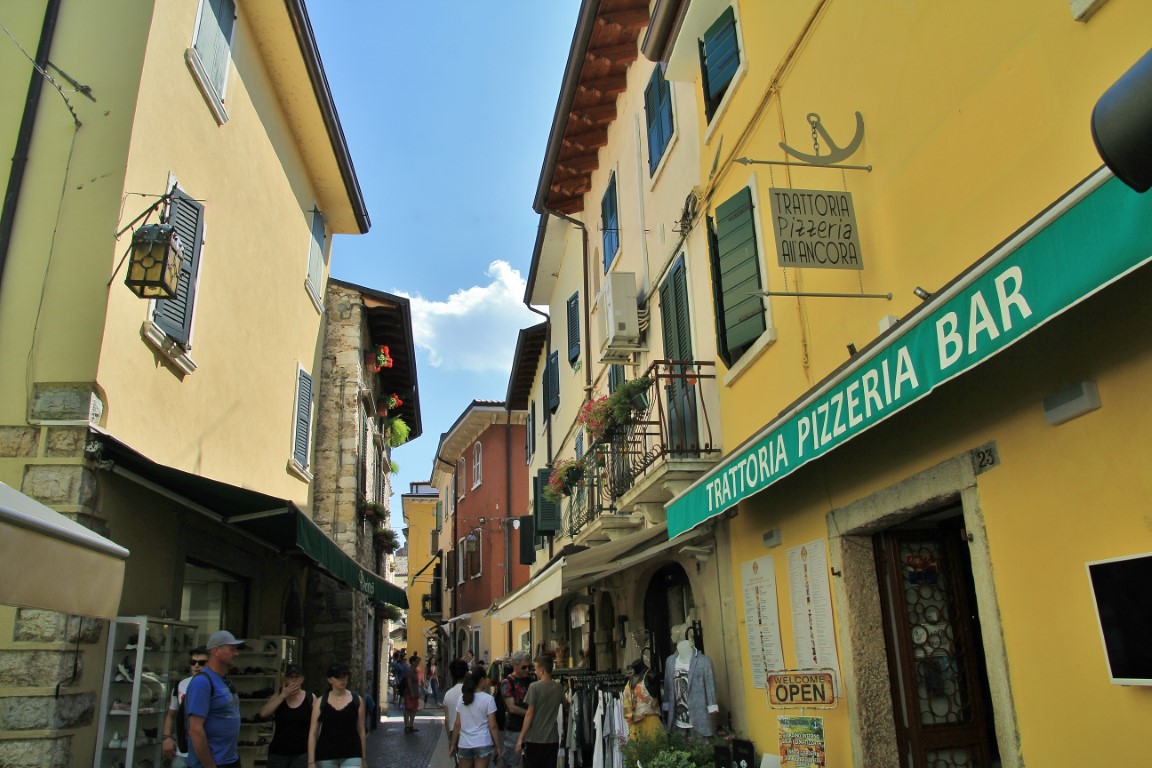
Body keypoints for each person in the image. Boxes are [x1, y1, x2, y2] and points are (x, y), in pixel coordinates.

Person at [186, 630, 244, 768]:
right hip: (212, 763)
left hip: (230, 760)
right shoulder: (202, 682)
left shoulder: (225, 680)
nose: (236, 654)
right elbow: (195, 729)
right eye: (232, 649)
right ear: (216, 651)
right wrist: (210, 765)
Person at [308, 662, 366, 768]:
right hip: (326, 755)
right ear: (330, 680)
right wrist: (311, 761)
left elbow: (361, 731)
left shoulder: (356, 700)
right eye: (338, 677)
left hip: (352, 753)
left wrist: (364, 759)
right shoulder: (321, 702)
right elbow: (313, 733)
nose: (342, 680)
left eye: (345, 676)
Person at [162, 645, 209, 767]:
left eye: (201, 662)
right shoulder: (180, 685)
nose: (196, 665)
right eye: (193, 662)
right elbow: (171, 714)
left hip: (206, 751)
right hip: (183, 751)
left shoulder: (215, 686)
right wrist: (166, 737)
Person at [257, 663, 312, 768]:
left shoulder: (310, 698)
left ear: (302, 679)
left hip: (301, 753)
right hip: (279, 752)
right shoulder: (278, 696)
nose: (294, 680)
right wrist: (283, 696)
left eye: (297, 677)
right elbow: (263, 713)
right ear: (286, 679)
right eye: (291, 677)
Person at [661, 639, 718, 737]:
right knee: (679, 750)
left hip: (699, 718)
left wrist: (712, 705)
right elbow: (667, 686)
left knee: (702, 750)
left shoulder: (704, 661)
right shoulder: (670, 661)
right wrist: (666, 704)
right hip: (677, 719)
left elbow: (710, 685)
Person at [515, 656, 565, 768]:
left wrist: (521, 737)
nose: (535, 671)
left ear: (542, 670)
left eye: (536, 668)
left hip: (535, 739)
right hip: (552, 739)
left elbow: (530, 713)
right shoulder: (559, 687)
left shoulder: (534, 687)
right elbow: (565, 704)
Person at [449, 669, 501, 768]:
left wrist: (453, 744)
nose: (487, 681)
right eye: (486, 678)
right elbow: (493, 725)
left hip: (464, 743)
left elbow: (457, 724)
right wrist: (498, 746)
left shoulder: (462, 698)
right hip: (482, 742)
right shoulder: (488, 699)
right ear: (481, 680)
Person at [498, 651, 535, 768]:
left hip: (532, 729)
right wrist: (530, 714)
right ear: (515, 665)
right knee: (512, 761)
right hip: (515, 728)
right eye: (524, 667)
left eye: (529, 666)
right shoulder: (507, 682)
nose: (527, 670)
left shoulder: (532, 680)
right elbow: (512, 708)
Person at [622, 658, 662, 740]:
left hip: (651, 724)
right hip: (635, 727)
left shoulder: (651, 676)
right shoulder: (630, 679)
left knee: (653, 750)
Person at [443, 658, 471, 739]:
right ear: (466, 673)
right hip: (469, 733)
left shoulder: (448, 694)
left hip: (453, 732)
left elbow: (447, 720)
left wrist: (450, 739)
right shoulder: (471, 692)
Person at [403, 653, 422, 733]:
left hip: (415, 693)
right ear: (413, 662)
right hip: (410, 693)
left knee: (414, 709)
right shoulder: (410, 670)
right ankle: (407, 725)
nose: (418, 663)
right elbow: (409, 682)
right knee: (408, 709)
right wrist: (411, 692)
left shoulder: (415, 670)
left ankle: (411, 725)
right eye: (417, 661)